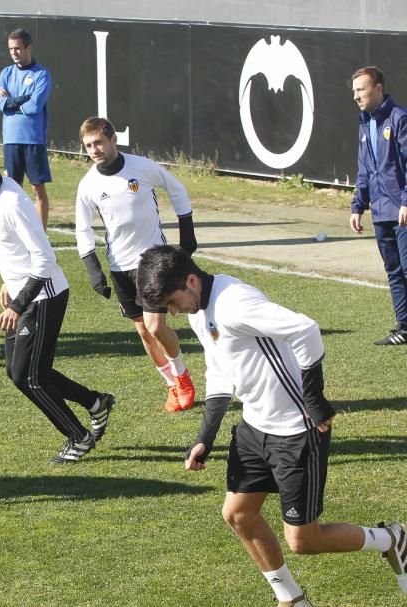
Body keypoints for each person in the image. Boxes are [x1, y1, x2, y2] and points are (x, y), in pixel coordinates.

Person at [136, 245, 407, 606]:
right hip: (253, 428)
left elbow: (306, 329)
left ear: (190, 280)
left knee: (303, 541)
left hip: (295, 431)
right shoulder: (199, 307)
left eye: (172, 301)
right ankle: (292, 600)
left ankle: (391, 540)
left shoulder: (235, 303)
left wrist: (314, 399)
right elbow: (219, 369)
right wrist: (205, 437)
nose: (172, 312)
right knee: (238, 514)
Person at [0, 137, 115, 463]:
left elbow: (44, 259)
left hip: (44, 296)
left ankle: (78, 436)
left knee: (30, 376)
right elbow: (13, 249)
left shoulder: (11, 202)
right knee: (19, 372)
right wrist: (7, 281)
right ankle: (97, 403)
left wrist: (17, 304)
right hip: (22, 293)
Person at [75, 117, 198, 413]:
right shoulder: (88, 184)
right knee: (143, 331)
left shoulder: (140, 168)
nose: (94, 149)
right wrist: (93, 269)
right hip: (119, 266)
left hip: (152, 262)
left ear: (113, 140)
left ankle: (183, 377)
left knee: (156, 326)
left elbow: (177, 188)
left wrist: (187, 234)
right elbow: (83, 227)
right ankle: (170, 384)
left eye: (98, 143)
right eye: (88, 145)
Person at [349, 66, 407, 346]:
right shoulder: (364, 123)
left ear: (379, 88)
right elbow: (365, 170)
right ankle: (404, 327)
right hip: (381, 212)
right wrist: (358, 205)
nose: (356, 96)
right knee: (394, 271)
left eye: (361, 89)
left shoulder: (399, 119)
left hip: (402, 211)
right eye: (354, 91)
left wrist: (406, 201)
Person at [0, 29, 51, 227]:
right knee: (12, 189)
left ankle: (41, 233)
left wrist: (10, 101)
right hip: (11, 139)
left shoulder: (41, 74)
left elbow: (34, 107)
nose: (14, 52)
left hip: (33, 139)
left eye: (17, 48)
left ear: (28, 48)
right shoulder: (6, 73)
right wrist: (21, 99)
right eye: (10, 49)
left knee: (38, 189)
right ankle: (15, 229)